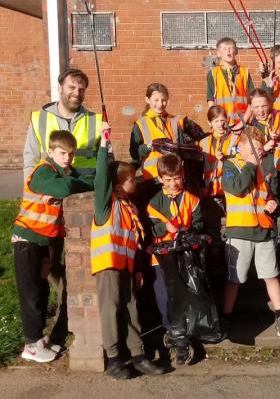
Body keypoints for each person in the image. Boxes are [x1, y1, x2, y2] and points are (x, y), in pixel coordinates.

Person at [91, 126, 166, 379]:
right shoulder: (106, 204)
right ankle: (114, 359)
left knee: (131, 309)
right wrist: (103, 146)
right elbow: (101, 177)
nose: (136, 181)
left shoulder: (129, 207)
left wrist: (137, 270)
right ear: (120, 184)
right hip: (108, 267)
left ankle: (138, 355)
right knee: (111, 311)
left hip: (126, 267)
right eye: (132, 179)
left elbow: (132, 243)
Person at [13, 130, 94, 363]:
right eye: (62, 153)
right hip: (27, 241)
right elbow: (66, 188)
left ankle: (39, 340)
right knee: (30, 294)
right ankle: (31, 344)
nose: (67, 158)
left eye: (71, 154)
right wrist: (71, 183)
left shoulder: (63, 172)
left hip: (45, 242)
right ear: (50, 151)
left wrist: (72, 181)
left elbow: (83, 181)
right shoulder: (43, 172)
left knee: (41, 290)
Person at [221, 126, 280, 337]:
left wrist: (272, 204)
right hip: (240, 231)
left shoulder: (260, 170)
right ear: (240, 147)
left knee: (271, 274)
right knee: (235, 278)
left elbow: (267, 196)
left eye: (259, 150)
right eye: (252, 149)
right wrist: (251, 163)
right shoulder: (230, 166)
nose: (257, 153)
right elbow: (238, 187)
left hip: (263, 231)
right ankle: (226, 317)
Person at [146, 153, 203, 364]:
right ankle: (172, 330)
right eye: (168, 180)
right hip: (162, 257)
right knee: (164, 295)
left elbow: (198, 223)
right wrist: (163, 227)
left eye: (176, 178)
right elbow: (150, 227)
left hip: (185, 255)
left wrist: (188, 228)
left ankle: (185, 333)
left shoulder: (192, 199)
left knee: (186, 294)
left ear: (183, 175)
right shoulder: (154, 202)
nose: (173, 183)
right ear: (161, 178)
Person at [23, 68, 103, 178]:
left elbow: (107, 160)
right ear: (60, 88)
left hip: (86, 189)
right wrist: (31, 192)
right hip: (49, 188)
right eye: (71, 87)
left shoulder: (97, 121)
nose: (77, 93)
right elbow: (30, 160)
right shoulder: (39, 118)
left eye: (81, 89)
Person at [130, 83, 205, 182]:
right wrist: (149, 146)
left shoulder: (178, 121)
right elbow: (134, 153)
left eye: (163, 100)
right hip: (153, 179)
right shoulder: (140, 124)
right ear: (147, 100)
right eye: (156, 100)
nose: (160, 104)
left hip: (176, 176)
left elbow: (202, 137)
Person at [197, 106, 234, 284]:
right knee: (213, 227)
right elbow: (198, 168)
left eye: (223, 120)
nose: (220, 124)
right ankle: (217, 262)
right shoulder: (203, 144)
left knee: (231, 227)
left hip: (230, 191)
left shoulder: (234, 139)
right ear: (209, 123)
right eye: (216, 121)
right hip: (211, 192)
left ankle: (231, 260)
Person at [246, 89, 280, 202]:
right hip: (264, 176)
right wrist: (263, 149)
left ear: (270, 103)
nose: (260, 111)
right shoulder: (250, 126)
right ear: (250, 107)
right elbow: (248, 154)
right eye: (256, 107)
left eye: (264, 106)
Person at [206, 37, 255, 125]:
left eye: (231, 48)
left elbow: (252, 100)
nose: (228, 51)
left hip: (243, 123)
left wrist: (244, 121)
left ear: (236, 51)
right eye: (224, 48)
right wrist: (213, 120)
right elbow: (211, 100)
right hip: (222, 124)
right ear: (219, 53)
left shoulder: (244, 72)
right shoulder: (213, 73)